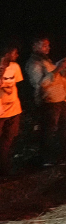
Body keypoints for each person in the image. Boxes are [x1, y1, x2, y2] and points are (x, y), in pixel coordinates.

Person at [1, 46, 24, 176]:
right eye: (15, 52)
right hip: (1, 111)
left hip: (14, 109)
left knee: (8, 140)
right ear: (7, 52)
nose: (17, 55)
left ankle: (5, 170)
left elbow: (16, 85)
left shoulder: (15, 67)